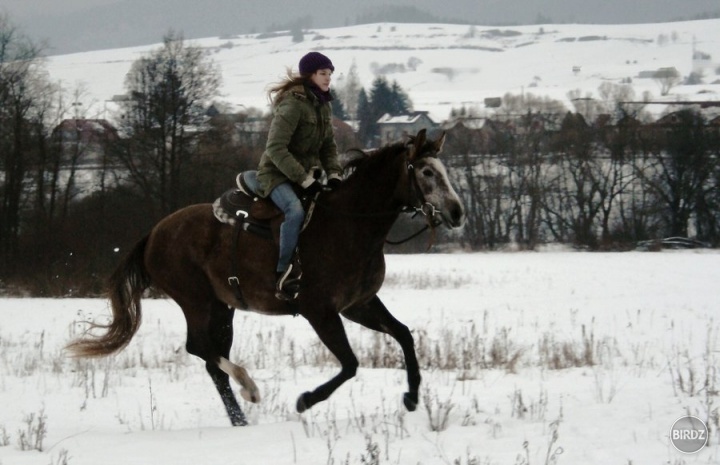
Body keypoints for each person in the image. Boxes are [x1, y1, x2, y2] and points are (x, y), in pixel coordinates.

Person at [244, 51, 343, 301]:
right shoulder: (292, 105)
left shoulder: (323, 105)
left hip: (306, 175)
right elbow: (275, 149)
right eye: (323, 73)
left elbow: (328, 146)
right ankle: (283, 272)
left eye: (330, 74)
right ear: (309, 75)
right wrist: (304, 180)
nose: (328, 78)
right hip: (275, 175)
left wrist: (334, 174)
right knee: (295, 211)